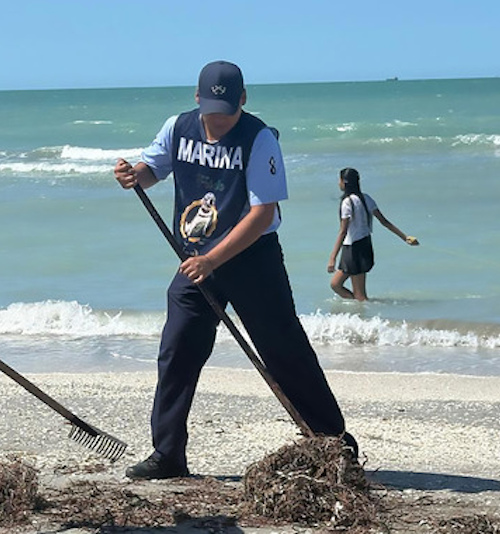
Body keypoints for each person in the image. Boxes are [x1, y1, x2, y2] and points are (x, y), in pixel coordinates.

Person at [113, 60, 356, 480]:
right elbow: (152, 171)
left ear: (243, 99)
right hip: (197, 260)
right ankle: (168, 454)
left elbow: (263, 214)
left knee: (284, 349)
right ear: (197, 98)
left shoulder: (259, 138)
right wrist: (132, 175)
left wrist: (213, 260)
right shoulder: (177, 128)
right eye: (211, 110)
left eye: (227, 110)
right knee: (177, 350)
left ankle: (334, 442)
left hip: (251, 259)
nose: (219, 120)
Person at [327, 167, 419, 301]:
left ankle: (365, 310)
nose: (338, 183)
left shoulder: (347, 202)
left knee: (360, 295)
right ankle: (360, 310)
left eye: (339, 180)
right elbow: (384, 222)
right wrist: (404, 237)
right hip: (363, 245)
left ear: (344, 182)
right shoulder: (366, 198)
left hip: (354, 249)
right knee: (336, 284)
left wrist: (332, 258)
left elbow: (343, 231)